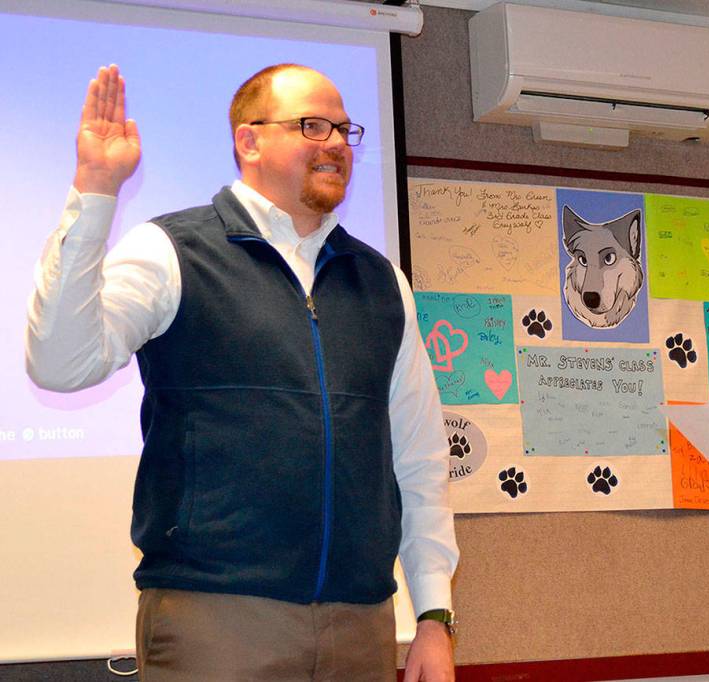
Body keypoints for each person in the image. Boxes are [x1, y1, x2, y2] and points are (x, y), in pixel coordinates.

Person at [25, 64, 458, 681]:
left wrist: (434, 615)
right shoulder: (172, 251)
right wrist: (95, 190)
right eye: (312, 125)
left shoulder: (382, 282)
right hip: (217, 618)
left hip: (362, 622)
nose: (336, 143)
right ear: (248, 141)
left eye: (343, 129)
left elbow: (418, 458)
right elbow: (60, 363)